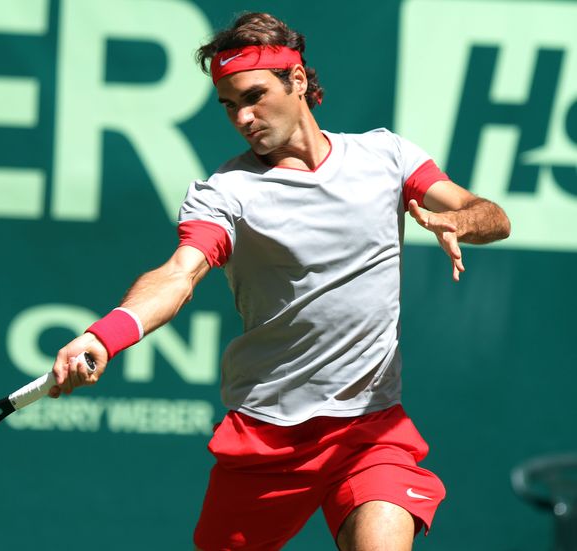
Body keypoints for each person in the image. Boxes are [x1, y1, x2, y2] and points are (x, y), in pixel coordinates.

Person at [49, 12, 511, 551]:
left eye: (253, 97)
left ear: (296, 80)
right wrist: (103, 336)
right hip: (267, 437)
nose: (243, 117)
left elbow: (491, 215)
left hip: (369, 429)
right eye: (229, 105)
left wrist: (460, 221)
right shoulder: (226, 194)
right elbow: (179, 274)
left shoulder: (387, 157)